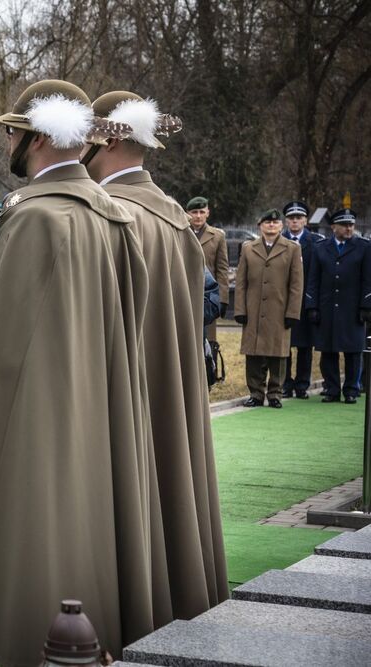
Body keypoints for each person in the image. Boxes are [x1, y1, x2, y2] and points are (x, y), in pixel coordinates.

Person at [0, 80, 155, 663]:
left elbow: (2, 351)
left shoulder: (35, 218)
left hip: (35, 414)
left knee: (37, 525)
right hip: (93, 406)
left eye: (13, 131)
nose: (6, 142)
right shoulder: (113, 217)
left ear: (36, 135)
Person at [84, 90, 228, 622]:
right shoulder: (172, 215)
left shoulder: (113, 214)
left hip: (126, 389)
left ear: (107, 139)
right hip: (168, 385)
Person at [234, 209, 303, 408]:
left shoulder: (292, 249)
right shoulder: (248, 248)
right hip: (253, 309)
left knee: (278, 354)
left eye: (275, 222)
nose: (271, 226)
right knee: (253, 354)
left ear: (281, 226)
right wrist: (240, 309)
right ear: (260, 226)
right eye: (267, 222)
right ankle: (255, 393)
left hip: (279, 310)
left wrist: (292, 312)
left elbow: (296, 284)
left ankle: (275, 394)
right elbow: (241, 282)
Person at [306, 208, 371, 404]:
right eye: (344, 225)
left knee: (353, 351)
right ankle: (332, 389)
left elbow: (368, 280)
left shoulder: (364, 247)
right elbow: (313, 280)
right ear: (334, 227)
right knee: (329, 350)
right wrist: (312, 306)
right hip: (327, 307)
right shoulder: (321, 248)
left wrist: (366, 305)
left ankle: (351, 389)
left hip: (352, 308)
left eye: (351, 225)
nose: (349, 228)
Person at [281, 201, 324, 398]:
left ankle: (302, 385)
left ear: (305, 220)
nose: (295, 221)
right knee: (284, 345)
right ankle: (285, 384)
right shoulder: (280, 241)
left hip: (307, 300)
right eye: (291, 218)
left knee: (305, 346)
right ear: (286, 221)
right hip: (283, 301)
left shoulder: (316, 242)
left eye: (299, 218)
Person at [187, 196, 228, 354]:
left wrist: (222, 299)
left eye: (201, 212)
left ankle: (210, 373)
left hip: (209, 295)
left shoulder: (217, 236)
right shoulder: (181, 232)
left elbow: (222, 269)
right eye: (194, 212)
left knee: (209, 339)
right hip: (187, 292)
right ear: (187, 213)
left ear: (207, 213)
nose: (198, 216)